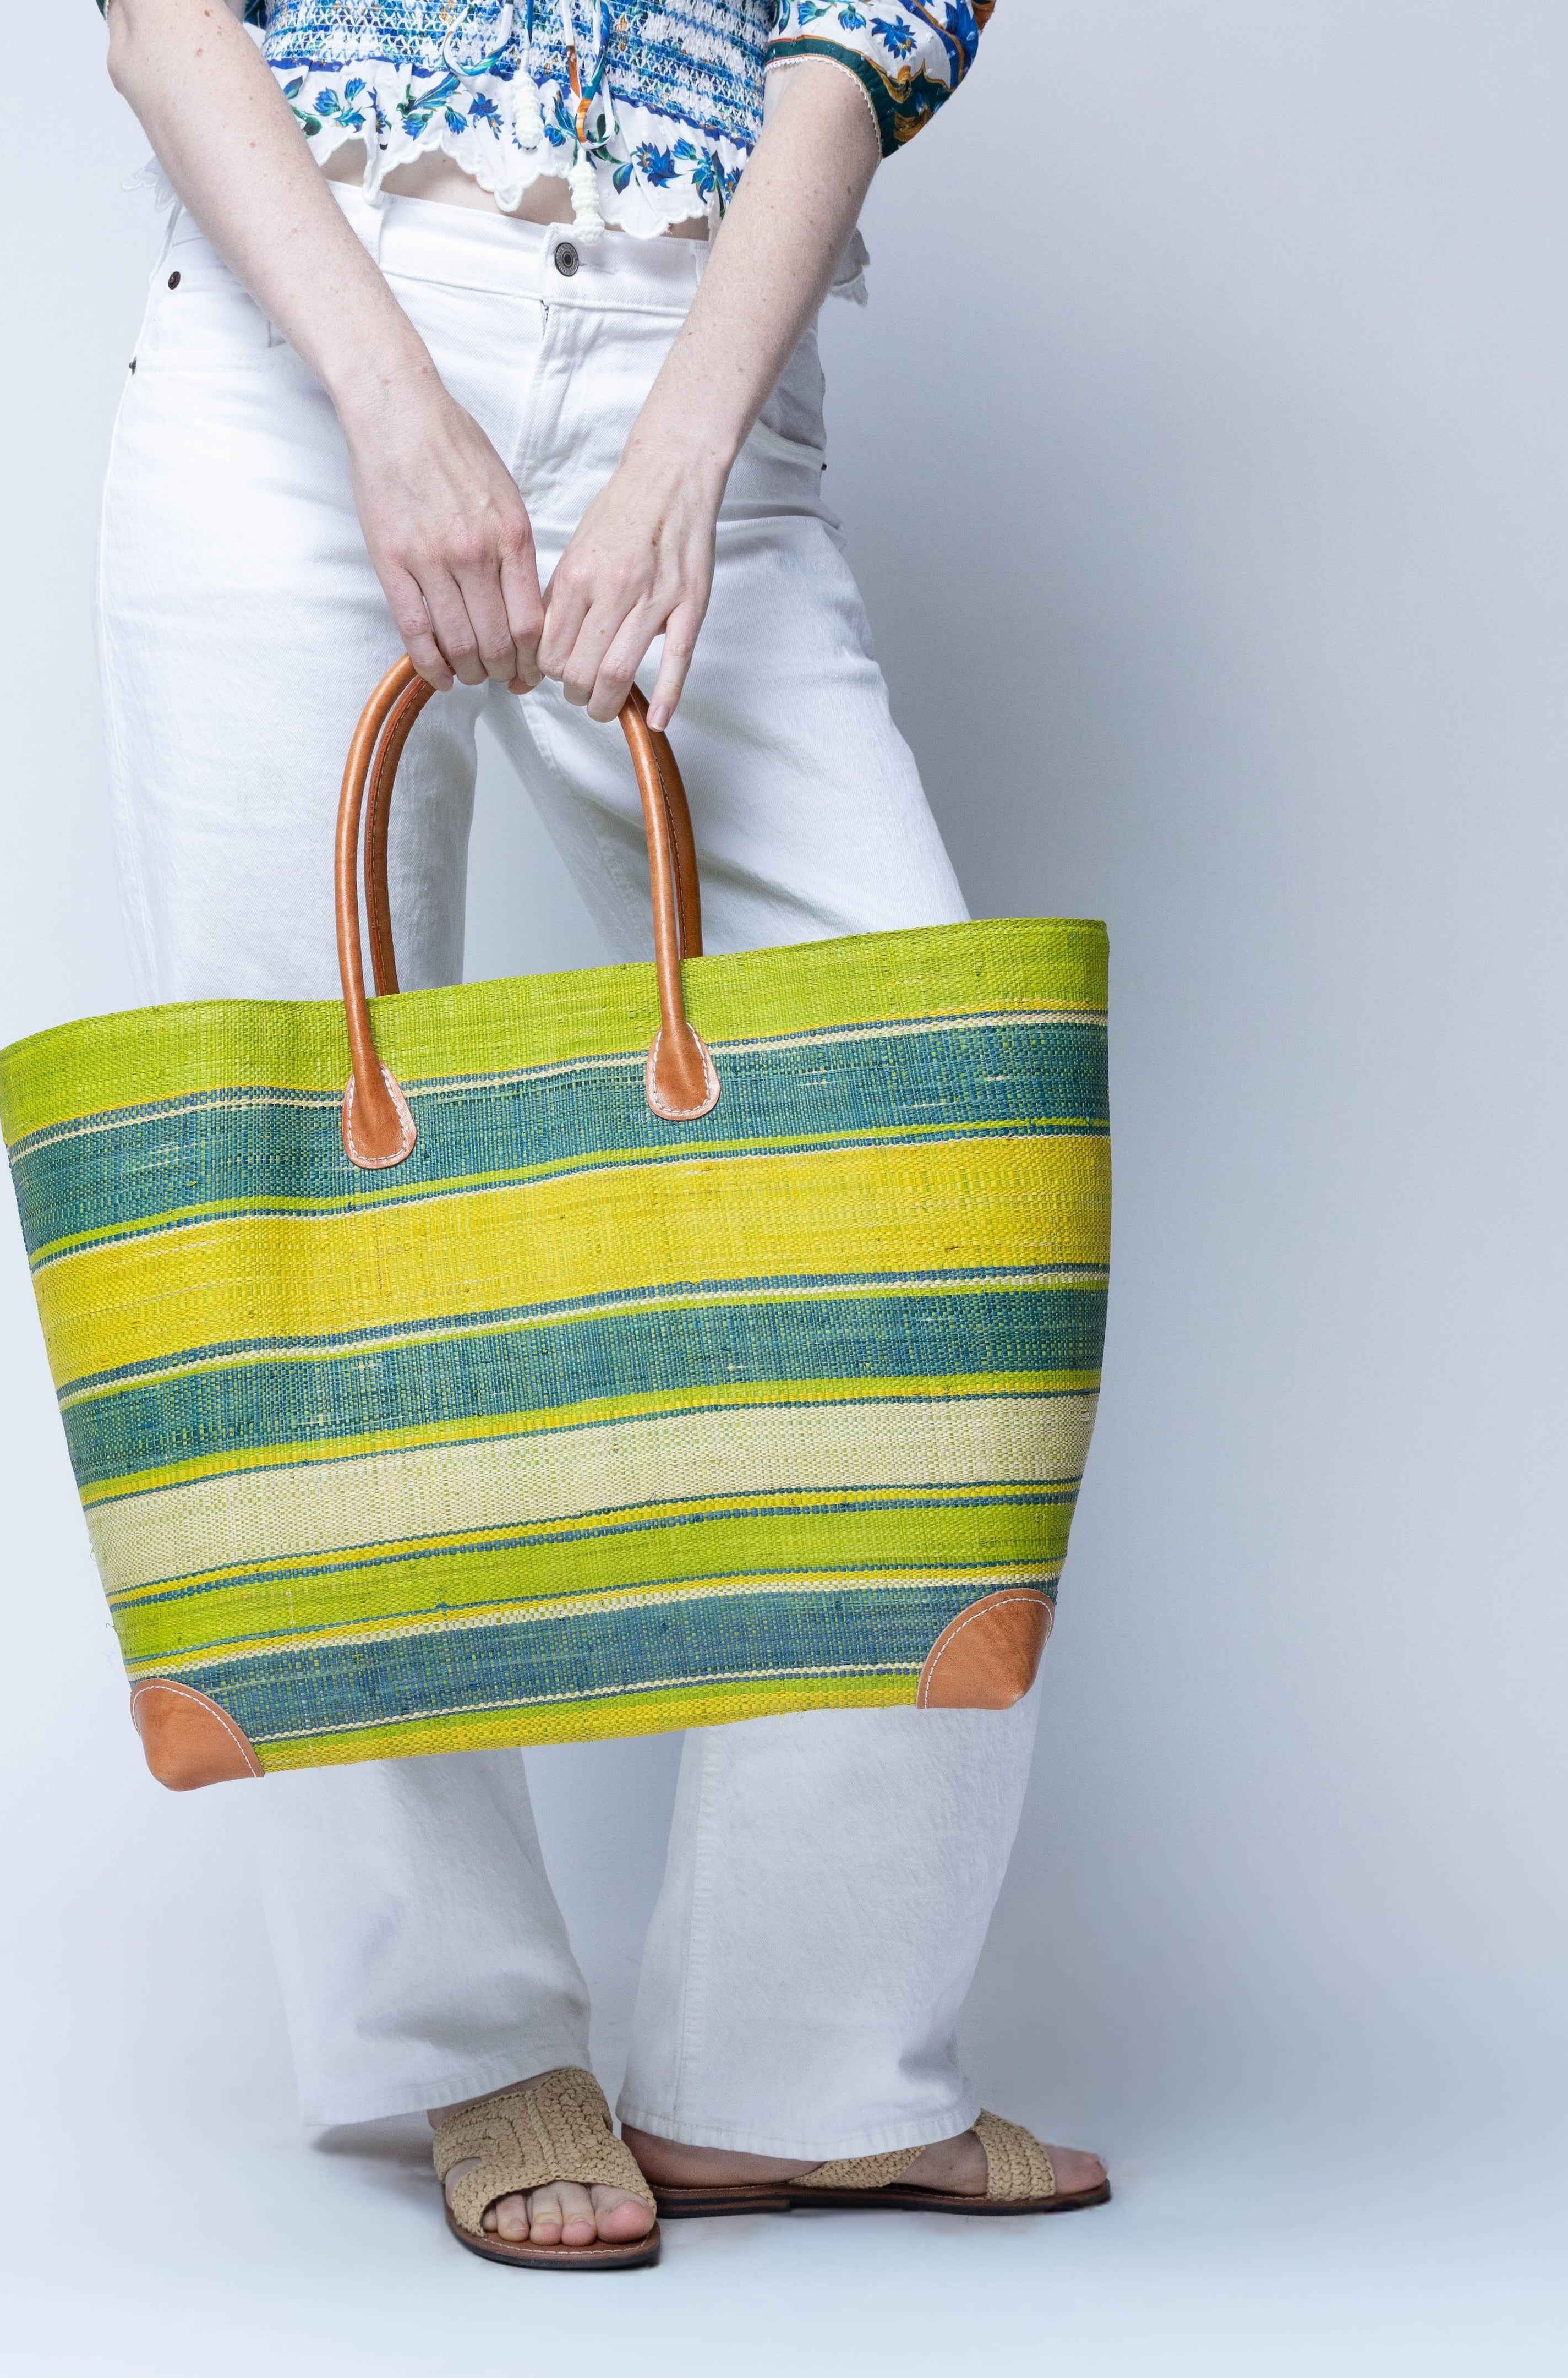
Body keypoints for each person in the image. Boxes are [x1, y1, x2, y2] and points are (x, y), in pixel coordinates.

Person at [95, 0, 1107, 2268]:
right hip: (301, 350)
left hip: (697, 371)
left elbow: (873, 26)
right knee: (318, 1237)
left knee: (911, 1200)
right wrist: (386, 403)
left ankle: (806, 2069)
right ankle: (470, 2043)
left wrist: (683, 442)